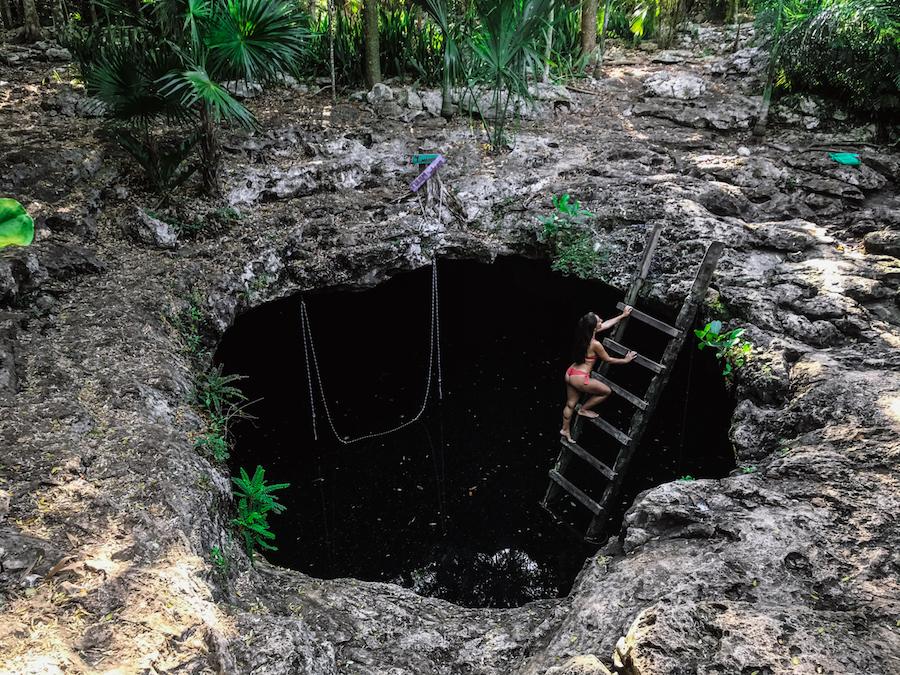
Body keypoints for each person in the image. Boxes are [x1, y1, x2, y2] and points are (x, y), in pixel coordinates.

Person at [560, 307, 637, 442]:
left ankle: (565, 429)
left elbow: (606, 324)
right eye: (598, 320)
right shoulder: (595, 344)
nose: (602, 320)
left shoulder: (583, 334)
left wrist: (622, 316)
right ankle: (584, 409)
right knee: (606, 392)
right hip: (580, 377)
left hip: (571, 372)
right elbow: (608, 359)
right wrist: (626, 360)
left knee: (570, 404)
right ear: (594, 328)